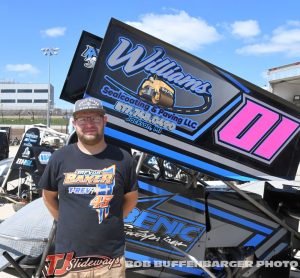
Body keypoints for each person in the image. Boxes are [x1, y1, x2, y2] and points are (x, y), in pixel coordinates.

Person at [39, 97, 138, 277]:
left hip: (110, 261)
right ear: (74, 123)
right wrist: (67, 221)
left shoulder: (124, 159)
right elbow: (48, 197)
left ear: (104, 121)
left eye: (95, 118)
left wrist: (111, 219)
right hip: (68, 259)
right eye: (83, 119)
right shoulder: (59, 158)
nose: (89, 124)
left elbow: (131, 199)